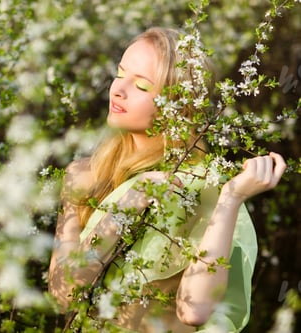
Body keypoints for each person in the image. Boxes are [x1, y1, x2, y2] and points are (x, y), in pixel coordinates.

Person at [48, 27, 286, 332]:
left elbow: (194, 311)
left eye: (142, 86)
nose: (118, 89)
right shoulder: (83, 174)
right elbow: (62, 295)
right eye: (120, 73)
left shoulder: (200, 188)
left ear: (179, 108)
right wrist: (125, 208)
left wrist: (230, 199)